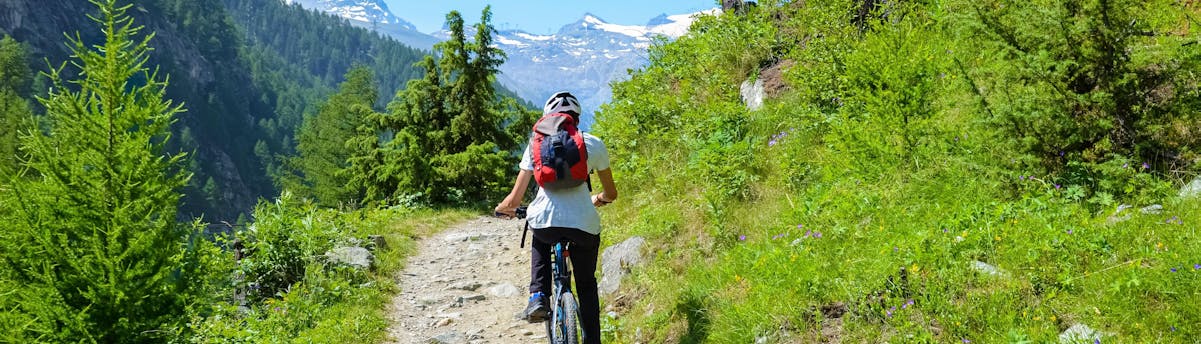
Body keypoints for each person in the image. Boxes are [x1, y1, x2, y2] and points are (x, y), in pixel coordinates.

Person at [495, 91, 617, 344]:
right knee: (586, 285)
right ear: (576, 120)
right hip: (584, 224)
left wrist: (501, 209)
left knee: (539, 234)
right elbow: (611, 193)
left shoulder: (535, 145)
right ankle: (593, 340)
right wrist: (598, 199)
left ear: (548, 118)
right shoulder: (593, 143)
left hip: (546, 222)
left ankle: (538, 296)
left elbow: (514, 201)